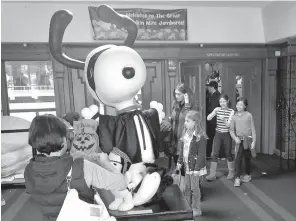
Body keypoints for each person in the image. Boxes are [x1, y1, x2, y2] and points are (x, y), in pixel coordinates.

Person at [24, 114, 127, 221]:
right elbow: (121, 183)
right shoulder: (82, 167)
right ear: (64, 140)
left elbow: (55, 166)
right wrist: (106, 163)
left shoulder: (29, 170)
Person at [175, 110, 207, 217]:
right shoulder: (186, 134)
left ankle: (196, 208)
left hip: (195, 167)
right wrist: (179, 162)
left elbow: (202, 154)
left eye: (187, 121)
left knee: (194, 188)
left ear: (195, 122)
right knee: (187, 188)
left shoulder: (200, 136)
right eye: (185, 121)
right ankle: (187, 207)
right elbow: (182, 150)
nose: (185, 123)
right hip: (187, 166)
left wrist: (197, 168)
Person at [206, 94, 235, 181]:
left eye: (224, 102)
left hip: (227, 134)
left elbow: (229, 125)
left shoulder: (231, 111)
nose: (222, 103)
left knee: (228, 153)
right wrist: (214, 112)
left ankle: (231, 172)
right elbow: (208, 118)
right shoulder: (217, 109)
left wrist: (224, 119)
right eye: (220, 102)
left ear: (227, 101)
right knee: (214, 154)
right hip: (218, 133)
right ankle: (212, 174)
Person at [229, 97, 256, 187]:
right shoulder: (234, 117)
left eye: (241, 104)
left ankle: (248, 175)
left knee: (247, 158)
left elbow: (253, 129)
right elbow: (231, 130)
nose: (239, 106)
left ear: (245, 106)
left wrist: (254, 141)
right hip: (239, 141)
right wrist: (235, 138)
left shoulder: (249, 115)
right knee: (238, 158)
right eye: (238, 104)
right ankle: (237, 178)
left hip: (248, 140)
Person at [206, 81, 221, 159]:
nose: (207, 88)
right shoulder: (209, 95)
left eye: (208, 87)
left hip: (214, 120)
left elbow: (214, 108)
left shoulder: (218, 96)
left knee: (214, 137)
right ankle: (209, 154)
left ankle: (215, 154)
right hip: (209, 120)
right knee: (210, 136)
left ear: (212, 87)